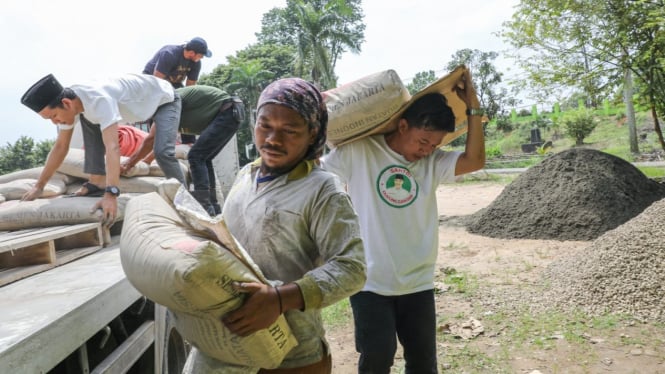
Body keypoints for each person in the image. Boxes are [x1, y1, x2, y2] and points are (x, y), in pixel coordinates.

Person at [182, 78, 367, 373]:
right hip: (230, 345)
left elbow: (352, 268)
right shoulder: (246, 175)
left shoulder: (322, 189)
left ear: (312, 134)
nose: (272, 140)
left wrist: (281, 299)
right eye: (264, 125)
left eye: (290, 131)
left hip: (291, 354)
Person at [320, 69, 485, 373]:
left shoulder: (433, 163)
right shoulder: (359, 151)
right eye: (423, 141)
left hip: (417, 282)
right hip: (369, 280)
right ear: (403, 125)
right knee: (377, 358)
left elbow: (475, 160)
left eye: (434, 145)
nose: (426, 150)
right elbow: (317, 178)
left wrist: (472, 106)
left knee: (423, 363)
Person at [20, 73, 186, 226]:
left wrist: (111, 193)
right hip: (138, 105)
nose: (54, 122)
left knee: (163, 152)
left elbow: (113, 147)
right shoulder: (73, 103)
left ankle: (185, 201)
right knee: (88, 119)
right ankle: (96, 181)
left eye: (53, 116)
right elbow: (61, 146)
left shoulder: (99, 100)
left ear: (66, 103)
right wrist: (39, 186)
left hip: (164, 99)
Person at [120, 85, 244, 215]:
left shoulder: (165, 103)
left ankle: (204, 206)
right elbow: (161, 142)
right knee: (204, 158)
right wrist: (145, 163)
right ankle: (212, 205)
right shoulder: (167, 109)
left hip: (227, 111)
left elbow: (151, 141)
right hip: (232, 112)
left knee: (196, 156)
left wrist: (130, 163)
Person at [142, 36, 212, 89]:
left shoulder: (196, 63)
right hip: (151, 79)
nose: (202, 58)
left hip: (173, 84)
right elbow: (156, 81)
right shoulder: (169, 54)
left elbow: (190, 88)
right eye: (201, 55)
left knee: (184, 100)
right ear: (191, 53)